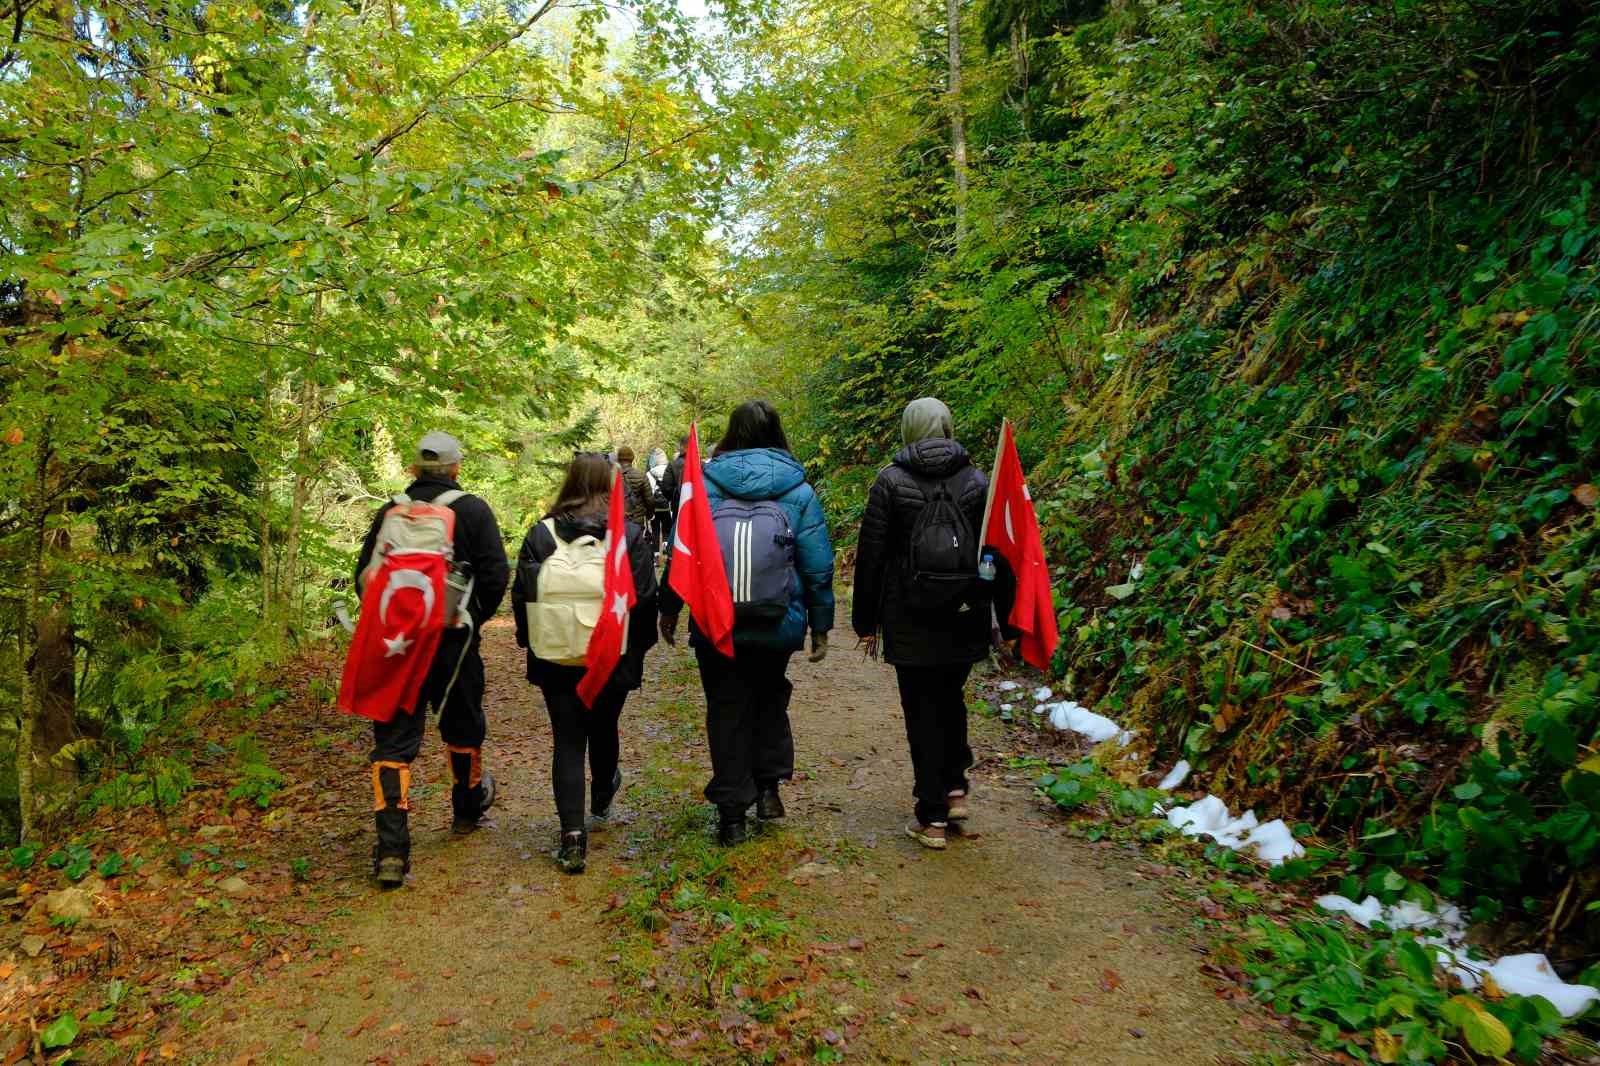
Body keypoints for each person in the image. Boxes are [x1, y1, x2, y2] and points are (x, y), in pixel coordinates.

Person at [659, 401, 834, 845]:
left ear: (732, 435)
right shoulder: (798, 490)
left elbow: (682, 551)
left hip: (717, 621)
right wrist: (821, 624)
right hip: (778, 620)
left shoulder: (705, 486)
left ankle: (732, 815)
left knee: (726, 707)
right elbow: (817, 566)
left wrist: (669, 608)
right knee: (770, 696)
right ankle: (769, 789)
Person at [852, 398, 1012, 850]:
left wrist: (866, 622)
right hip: (965, 614)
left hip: (910, 615)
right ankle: (956, 790)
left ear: (908, 429)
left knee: (922, 710)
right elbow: (997, 553)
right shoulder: (978, 480)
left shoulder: (890, 481)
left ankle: (933, 817)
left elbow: (872, 557)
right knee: (950, 699)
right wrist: (1007, 617)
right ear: (947, 426)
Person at [355, 431, 510, 886]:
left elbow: (362, 576)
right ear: (457, 467)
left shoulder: (391, 511)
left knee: (393, 740)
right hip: (452, 640)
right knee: (463, 723)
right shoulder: (474, 510)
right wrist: (472, 619)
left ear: (414, 469)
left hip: (396, 643)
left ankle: (391, 851)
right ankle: (465, 810)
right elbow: (495, 573)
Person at [511, 453, 659, 873]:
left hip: (556, 653)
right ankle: (602, 795)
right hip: (613, 653)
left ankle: (572, 838)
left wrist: (531, 642)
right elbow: (646, 598)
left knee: (568, 740)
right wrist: (636, 652)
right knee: (604, 724)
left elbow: (522, 596)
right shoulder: (628, 535)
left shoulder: (540, 535)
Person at [615, 446, 661, 549]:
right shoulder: (641, 475)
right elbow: (649, 499)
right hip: (637, 521)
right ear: (632, 458)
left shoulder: (612, 476)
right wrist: (649, 514)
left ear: (618, 459)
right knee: (636, 549)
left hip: (617, 521)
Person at [658, 436, 687, 521]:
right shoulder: (702, 464)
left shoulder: (673, 465)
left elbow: (666, 488)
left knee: (678, 531)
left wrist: (673, 498)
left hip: (679, 505)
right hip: (699, 506)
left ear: (681, 446)